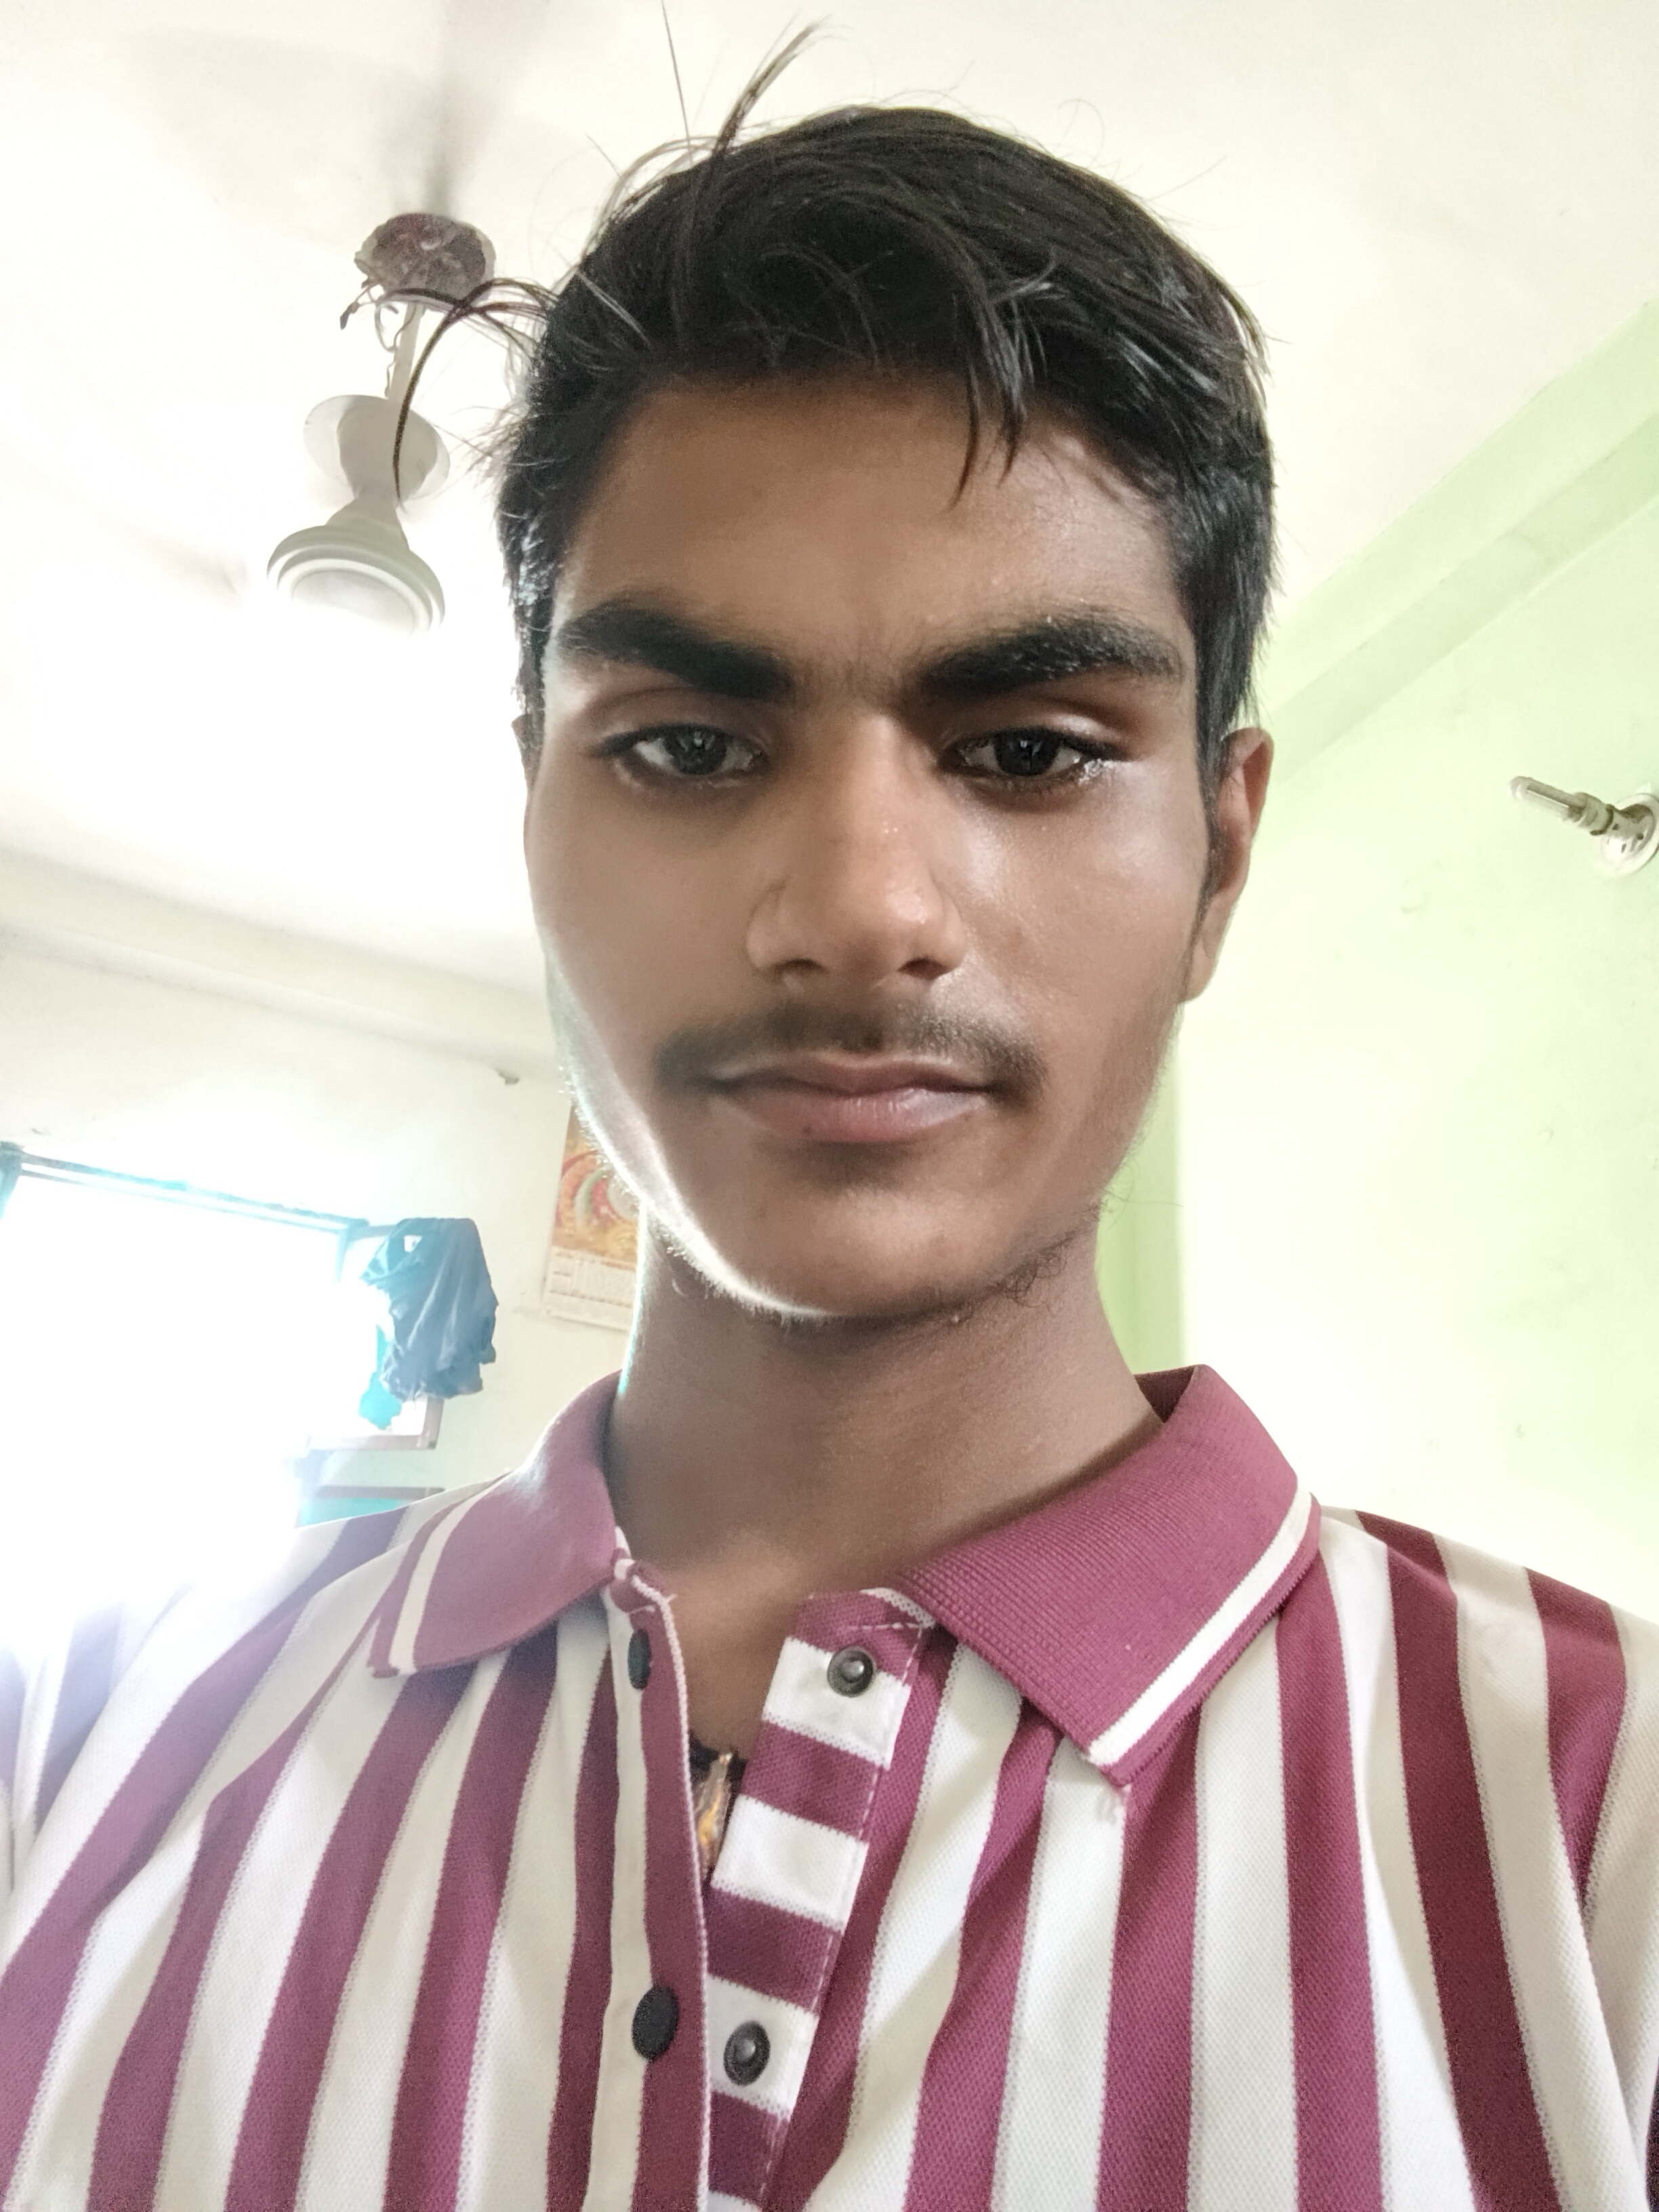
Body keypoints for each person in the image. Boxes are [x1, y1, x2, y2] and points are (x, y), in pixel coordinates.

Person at [3, 85, 1655, 2212]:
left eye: (1030, 748)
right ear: (535, 813)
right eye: (688, 745)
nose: (861, 908)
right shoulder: (71, 1752)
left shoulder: (1600, 1833)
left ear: (1220, 861)